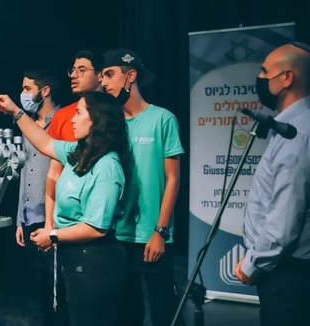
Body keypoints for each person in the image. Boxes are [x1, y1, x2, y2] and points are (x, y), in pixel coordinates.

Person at [0, 91, 131, 326]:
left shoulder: (107, 167)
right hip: (76, 259)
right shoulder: (80, 153)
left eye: (79, 113)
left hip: (95, 263)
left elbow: (96, 228)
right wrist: (15, 111)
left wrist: (52, 235)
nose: (73, 120)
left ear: (98, 120)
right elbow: (44, 142)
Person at [234, 42, 310, 326]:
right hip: (285, 271)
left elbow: (285, 218)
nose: (259, 78)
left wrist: (252, 264)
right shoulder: (294, 126)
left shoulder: (301, 134)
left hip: (288, 273)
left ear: (286, 77)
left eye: (264, 71)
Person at [100, 48, 185, 326]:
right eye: (102, 77)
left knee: (165, 313)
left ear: (131, 76)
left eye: (110, 75)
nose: (104, 83)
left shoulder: (163, 119)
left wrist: (160, 231)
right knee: (125, 313)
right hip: (118, 236)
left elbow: (173, 179)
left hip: (153, 237)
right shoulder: (112, 126)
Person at [14, 68, 67, 326]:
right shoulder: (28, 124)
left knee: (57, 284)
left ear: (44, 91)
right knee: (38, 286)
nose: (23, 94)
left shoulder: (65, 119)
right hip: (29, 215)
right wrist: (19, 219)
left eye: (27, 89)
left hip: (53, 217)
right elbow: (24, 171)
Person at [45, 49, 104, 230]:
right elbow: (54, 173)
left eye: (82, 70)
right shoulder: (62, 116)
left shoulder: (114, 112)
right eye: (73, 70)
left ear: (100, 75)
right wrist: (49, 222)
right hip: (68, 218)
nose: (74, 75)